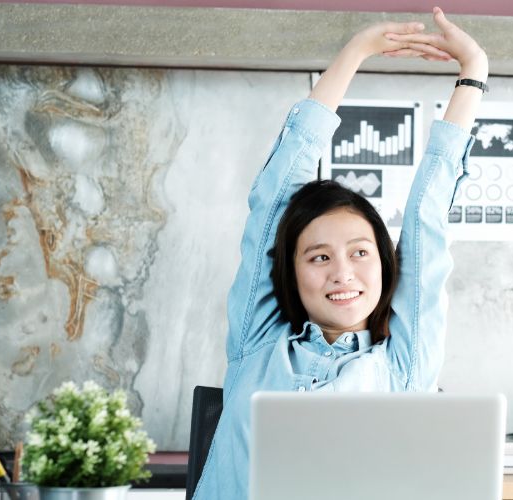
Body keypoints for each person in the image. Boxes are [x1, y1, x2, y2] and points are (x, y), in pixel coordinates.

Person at [193, 7, 489, 498]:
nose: (342, 273)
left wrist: (473, 73)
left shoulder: (404, 366)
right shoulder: (257, 342)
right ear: (291, 272)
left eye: (359, 253)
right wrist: (356, 52)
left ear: (385, 265)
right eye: (319, 257)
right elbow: (275, 193)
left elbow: (427, 222)